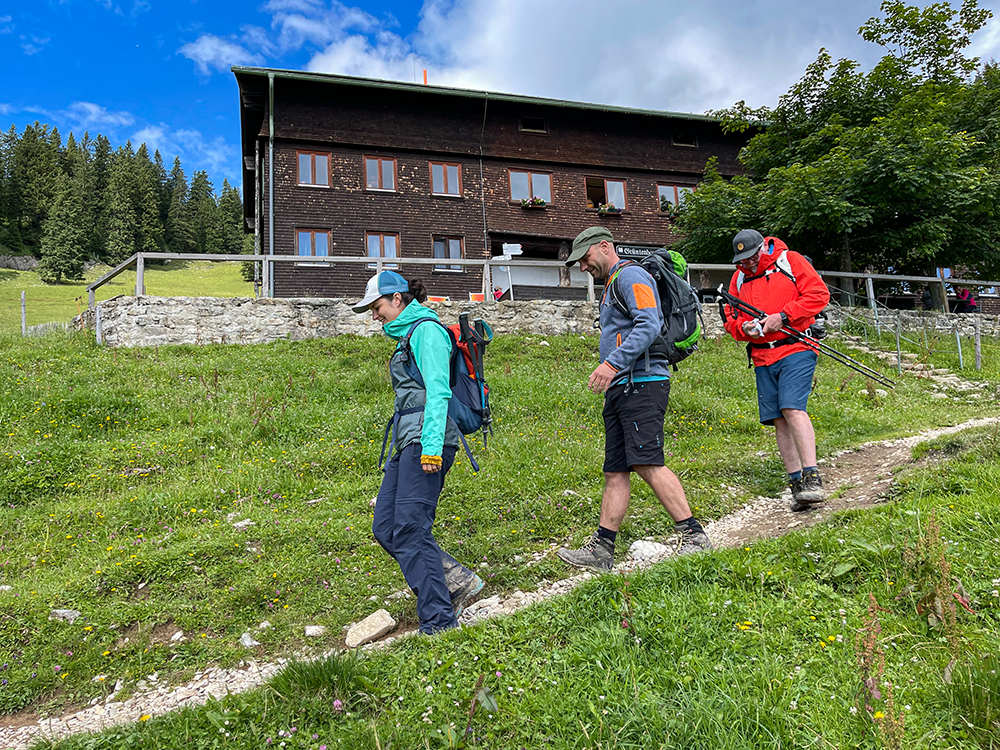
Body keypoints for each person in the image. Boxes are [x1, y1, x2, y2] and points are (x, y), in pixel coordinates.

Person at [556, 227, 711, 572]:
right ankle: (602, 550)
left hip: (643, 382)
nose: (582, 267)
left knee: (647, 461)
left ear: (605, 247)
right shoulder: (613, 284)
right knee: (615, 470)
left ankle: (694, 536)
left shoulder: (632, 275)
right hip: (622, 386)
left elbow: (650, 324)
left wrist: (611, 363)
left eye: (585, 258)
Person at [352, 270, 483, 634]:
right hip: (409, 438)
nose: (373, 316)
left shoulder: (426, 330)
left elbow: (439, 390)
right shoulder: (408, 334)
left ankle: (439, 621)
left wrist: (430, 447)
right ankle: (455, 582)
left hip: (430, 440)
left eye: (376, 307)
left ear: (398, 299)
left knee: (409, 527)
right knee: (386, 527)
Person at [722, 230, 831, 512]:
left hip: (797, 346)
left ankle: (812, 477)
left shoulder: (790, 260)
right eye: (741, 260)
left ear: (762, 249)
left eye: (750, 258)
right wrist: (742, 328)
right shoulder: (738, 278)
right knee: (778, 419)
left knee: (792, 408)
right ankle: (796, 485)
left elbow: (819, 295)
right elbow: (731, 318)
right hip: (761, 355)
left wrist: (783, 317)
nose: (746, 264)